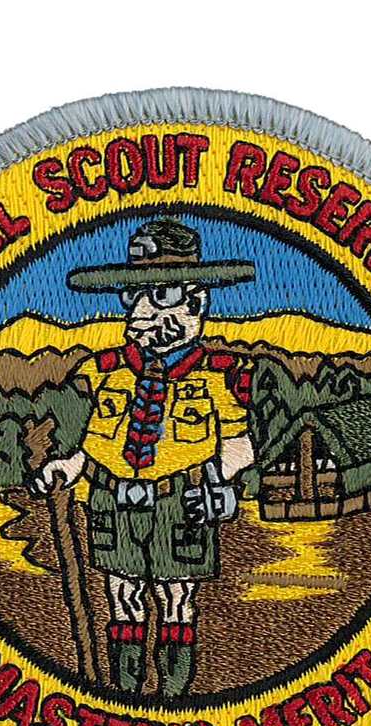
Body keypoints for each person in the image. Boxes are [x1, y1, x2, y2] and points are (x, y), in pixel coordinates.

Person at [35, 220, 257, 696]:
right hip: (113, 502)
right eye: (134, 296)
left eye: (160, 297)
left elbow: (241, 447)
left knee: (176, 598)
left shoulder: (218, 375)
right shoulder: (105, 372)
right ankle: (125, 693)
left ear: (196, 303)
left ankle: (174, 694)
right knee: (123, 596)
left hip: (181, 502)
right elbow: (95, 446)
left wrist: (216, 483)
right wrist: (67, 467)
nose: (141, 313)